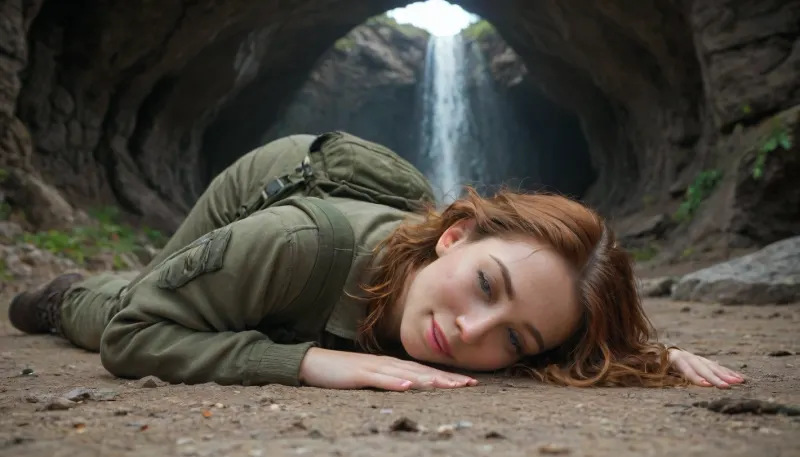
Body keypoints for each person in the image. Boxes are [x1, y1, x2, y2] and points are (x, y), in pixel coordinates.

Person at [8, 131, 744, 391]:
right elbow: (135, 335)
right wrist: (303, 362)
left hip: (386, 219)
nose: (471, 329)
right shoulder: (296, 241)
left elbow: (552, 334)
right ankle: (67, 290)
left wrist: (641, 353)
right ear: (455, 235)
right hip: (276, 189)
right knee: (141, 300)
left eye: (515, 338)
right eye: (488, 284)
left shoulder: (504, 316)